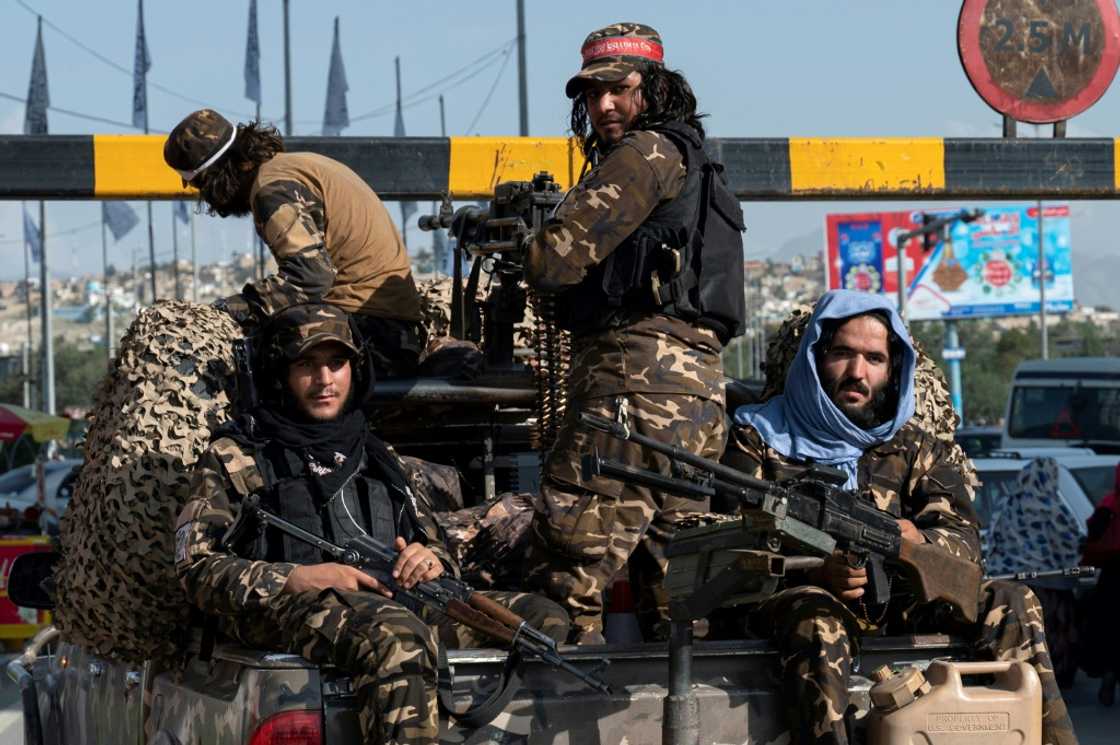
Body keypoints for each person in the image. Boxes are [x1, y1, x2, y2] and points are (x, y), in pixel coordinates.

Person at [174, 304, 568, 745]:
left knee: (541, 620)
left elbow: (435, 543)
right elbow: (196, 569)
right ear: (279, 373)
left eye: (336, 363)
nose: (324, 380)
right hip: (283, 609)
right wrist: (299, 577)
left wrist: (428, 559)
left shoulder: (378, 455)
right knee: (395, 636)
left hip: (392, 600)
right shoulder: (238, 455)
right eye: (306, 364)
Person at [723, 290, 1077, 745]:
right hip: (803, 607)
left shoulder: (917, 448)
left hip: (902, 605)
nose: (857, 373)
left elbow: (964, 543)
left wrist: (914, 544)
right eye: (842, 354)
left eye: (874, 359)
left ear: (893, 371)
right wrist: (818, 571)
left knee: (1014, 598)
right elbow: (731, 546)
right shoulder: (760, 439)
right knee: (818, 620)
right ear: (815, 357)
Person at [521, 22, 745, 644]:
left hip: (633, 389)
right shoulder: (699, 161)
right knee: (680, 598)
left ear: (655, 87)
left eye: (619, 89)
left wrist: (532, 241)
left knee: (565, 574)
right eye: (592, 96)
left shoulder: (646, 154)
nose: (605, 107)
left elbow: (552, 260)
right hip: (697, 400)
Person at [163, 109, 426, 377]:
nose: (207, 200)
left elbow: (310, 279)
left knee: (242, 374)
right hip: (394, 329)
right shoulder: (298, 165)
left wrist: (229, 309)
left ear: (214, 176)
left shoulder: (271, 190)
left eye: (200, 188)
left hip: (369, 331)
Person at [987, 457, 1085, 688]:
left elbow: (993, 539)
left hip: (1011, 584)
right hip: (1050, 582)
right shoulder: (1051, 505)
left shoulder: (1006, 504)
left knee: (1021, 634)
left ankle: (1022, 679)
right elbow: (1069, 541)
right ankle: (1054, 681)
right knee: (1054, 634)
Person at [1081, 464, 1120, 706]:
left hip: (1113, 575)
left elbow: (1093, 534)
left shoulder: (1110, 502)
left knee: (1110, 629)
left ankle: (1109, 677)